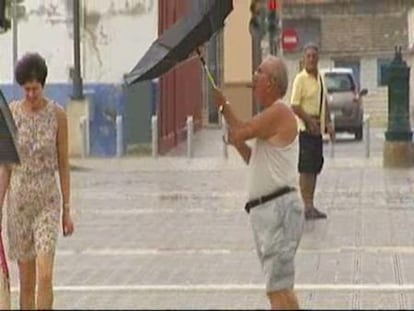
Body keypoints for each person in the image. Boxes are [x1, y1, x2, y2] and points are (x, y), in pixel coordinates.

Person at [215, 55, 304, 310]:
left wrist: (224, 106)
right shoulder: (271, 116)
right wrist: (238, 142)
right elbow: (254, 157)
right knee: (279, 288)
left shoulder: (279, 111)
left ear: (272, 82)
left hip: (279, 210)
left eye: (259, 71)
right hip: (268, 211)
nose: (254, 76)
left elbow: (242, 129)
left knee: (278, 289)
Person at [0, 52, 74, 309]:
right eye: (26, 89)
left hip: (47, 201)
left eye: (35, 88)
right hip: (19, 203)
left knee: (45, 274)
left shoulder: (58, 116)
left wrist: (67, 209)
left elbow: (64, 164)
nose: (31, 94)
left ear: (43, 85)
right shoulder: (11, 113)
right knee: (27, 281)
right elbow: (5, 166)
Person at [290, 43, 335, 220]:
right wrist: (309, 121)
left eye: (314, 57)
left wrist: (329, 124)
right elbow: (294, 105)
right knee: (306, 168)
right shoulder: (300, 79)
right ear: (304, 59)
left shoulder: (320, 78)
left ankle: (311, 203)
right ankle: (306, 205)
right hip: (306, 129)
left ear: (318, 59)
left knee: (315, 167)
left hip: (318, 130)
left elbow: (325, 102)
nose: (311, 59)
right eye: (308, 56)